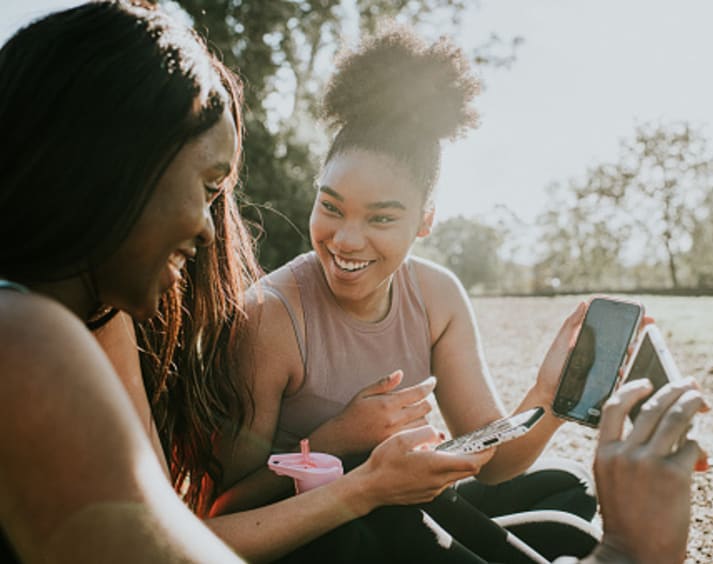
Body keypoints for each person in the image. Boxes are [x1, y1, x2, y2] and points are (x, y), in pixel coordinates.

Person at [0, 2, 493, 562]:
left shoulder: (94, 316)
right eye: (208, 187)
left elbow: (161, 518)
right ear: (115, 168)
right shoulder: (23, 338)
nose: (211, 232)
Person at [208, 25, 599, 561]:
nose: (345, 239)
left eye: (381, 218)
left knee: (570, 488)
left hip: (407, 505)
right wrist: (338, 439)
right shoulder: (271, 316)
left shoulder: (437, 296)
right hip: (322, 534)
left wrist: (549, 399)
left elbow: (495, 461)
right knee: (386, 521)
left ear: (425, 222)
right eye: (331, 206)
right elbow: (223, 509)